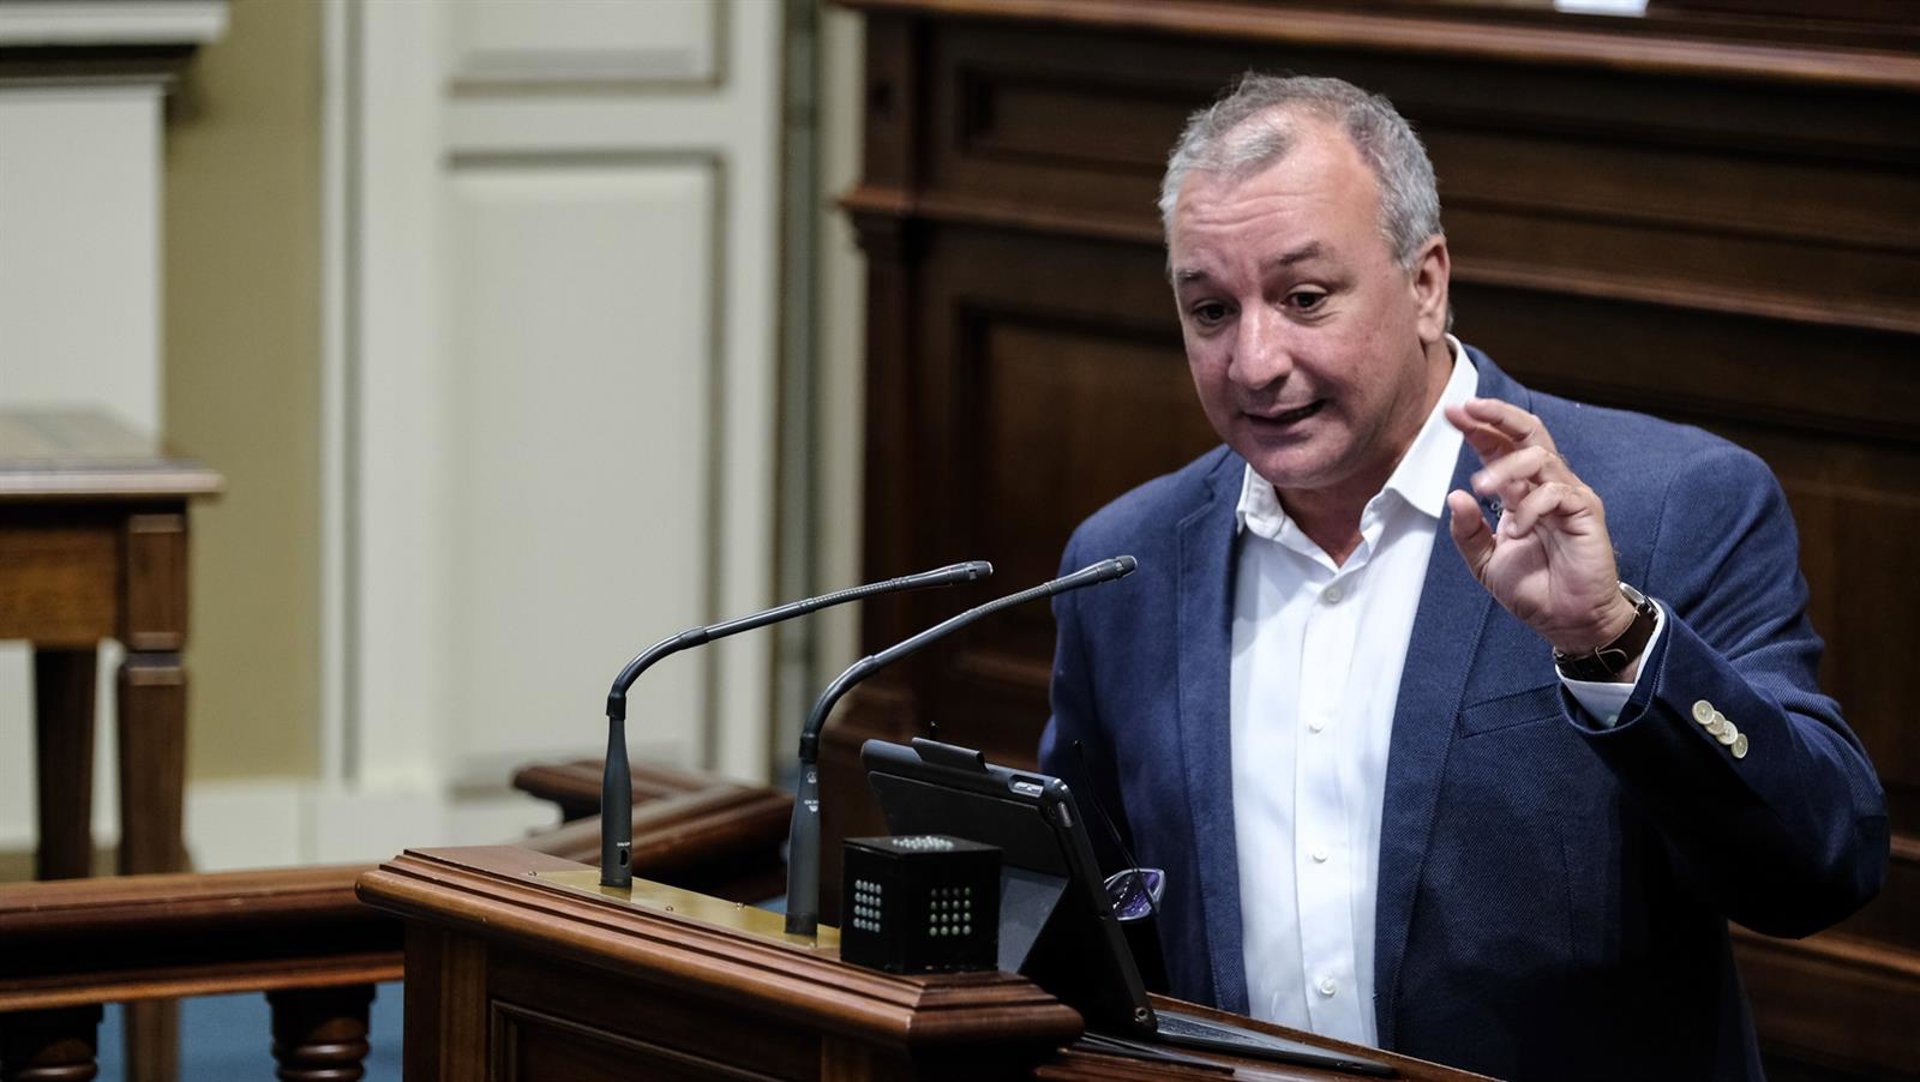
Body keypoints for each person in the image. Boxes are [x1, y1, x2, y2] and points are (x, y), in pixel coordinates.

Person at [1037, 74, 1886, 1081]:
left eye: (1305, 298)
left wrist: (1610, 639)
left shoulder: (1670, 504)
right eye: (1212, 310)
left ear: (1426, 282)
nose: (1254, 361)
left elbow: (1820, 868)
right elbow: (1094, 929)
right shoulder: (1126, 560)